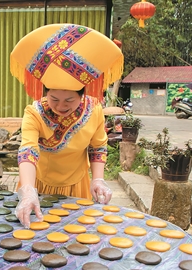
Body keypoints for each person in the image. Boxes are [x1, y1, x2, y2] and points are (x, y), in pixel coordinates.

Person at [9, 24, 124, 228]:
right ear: (45, 93)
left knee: (75, 234)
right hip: (38, 184)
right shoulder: (34, 112)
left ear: (82, 95)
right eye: (54, 99)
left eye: (69, 101)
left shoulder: (94, 110)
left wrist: (98, 179)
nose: (61, 106)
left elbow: (98, 147)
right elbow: (28, 150)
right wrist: (27, 190)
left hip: (76, 185)